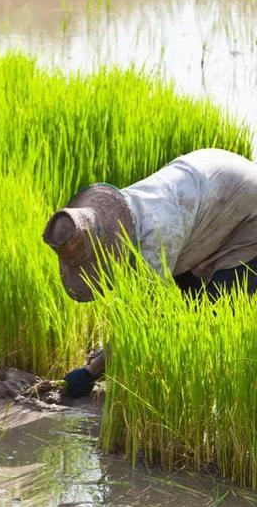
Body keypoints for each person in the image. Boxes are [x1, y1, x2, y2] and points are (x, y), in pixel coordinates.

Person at [43, 148, 257, 397]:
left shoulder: (155, 238)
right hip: (211, 190)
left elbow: (143, 321)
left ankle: (213, 398)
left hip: (248, 215)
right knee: (188, 305)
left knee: (215, 320)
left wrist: (91, 371)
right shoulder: (120, 211)